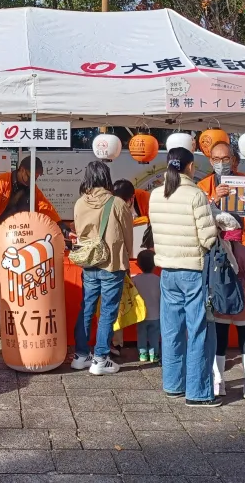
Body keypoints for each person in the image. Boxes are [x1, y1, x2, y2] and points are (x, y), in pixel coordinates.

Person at [0, 157, 65, 338]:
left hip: (15, 241)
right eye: (33, 175)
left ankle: (16, 316)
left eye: (38, 176)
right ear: (22, 170)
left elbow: (45, 208)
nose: (35, 180)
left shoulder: (32, 188)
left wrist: (62, 226)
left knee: (18, 280)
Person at [149, 147, 220, 407]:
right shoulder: (196, 195)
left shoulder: (156, 195)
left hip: (167, 270)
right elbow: (207, 237)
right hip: (193, 270)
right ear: (190, 167)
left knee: (171, 329)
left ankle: (173, 384)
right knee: (198, 329)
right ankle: (198, 392)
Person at [197, 140, 245, 371]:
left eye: (226, 159)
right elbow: (199, 216)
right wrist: (214, 200)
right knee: (213, 299)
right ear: (210, 161)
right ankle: (213, 348)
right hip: (216, 251)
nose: (221, 163)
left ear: (233, 160)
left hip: (244, 249)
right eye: (216, 159)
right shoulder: (203, 185)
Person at [71, 161, 133, 375]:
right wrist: (128, 260)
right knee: (107, 311)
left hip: (89, 262)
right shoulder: (117, 203)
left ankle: (80, 355)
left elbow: (79, 231)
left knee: (87, 307)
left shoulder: (80, 203)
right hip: (112, 263)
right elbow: (127, 235)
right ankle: (100, 358)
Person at [211, 212, 245, 400]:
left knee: (220, 343)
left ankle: (219, 382)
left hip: (220, 300)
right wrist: (238, 283)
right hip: (243, 301)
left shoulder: (216, 252)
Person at [132, 249, 161, 363]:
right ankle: (154, 355)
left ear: (138, 264)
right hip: (156, 314)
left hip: (140, 314)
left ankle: (143, 354)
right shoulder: (158, 279)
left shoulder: (135, 279)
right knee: (154, 335)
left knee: (141, 334)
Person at [113, 180, 153, 250]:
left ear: (132, 197)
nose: (121, 205)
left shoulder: (144, 197)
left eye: (124, 202)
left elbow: (152, 223)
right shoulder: (113, 203)